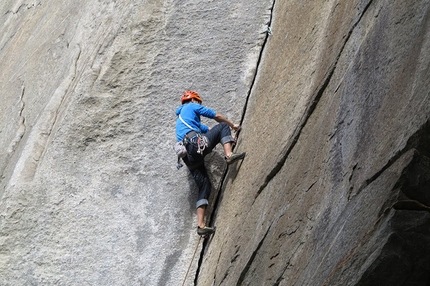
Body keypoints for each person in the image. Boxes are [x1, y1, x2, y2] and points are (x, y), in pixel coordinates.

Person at [175, 90, 246, 236]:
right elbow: (217, 117)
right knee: (223, 127)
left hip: (188, 157)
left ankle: (201, 226)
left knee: (205, 186)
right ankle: (229, 155)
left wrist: (229, 139)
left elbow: (209, 131)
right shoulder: (192, 106)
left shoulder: (186, 120)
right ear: (194, 100)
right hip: (195, 145)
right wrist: (232, 126)